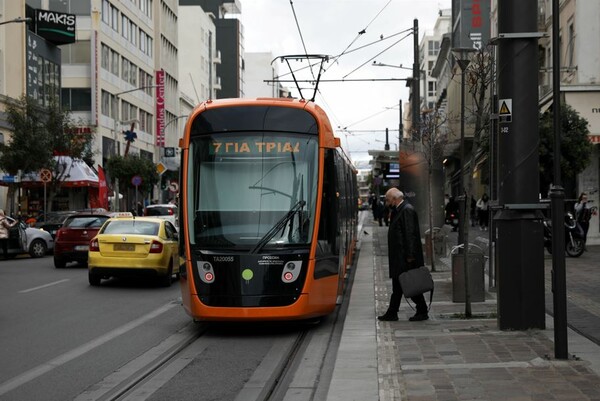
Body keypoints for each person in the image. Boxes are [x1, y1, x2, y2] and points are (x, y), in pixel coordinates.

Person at [378, 188, 429, 322]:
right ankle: (393, 312)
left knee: (409, 284)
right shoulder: (399, 210)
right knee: (399, 286)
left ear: (395, 199)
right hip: (400, 257)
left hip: (405, 258)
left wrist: (410, 255)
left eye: (388, 200)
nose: (387, 202)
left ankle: (421, 310)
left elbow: (410, 233)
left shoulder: (406, 210)